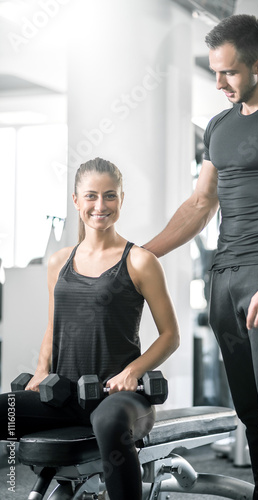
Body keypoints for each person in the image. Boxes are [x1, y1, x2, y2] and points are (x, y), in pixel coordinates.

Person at [143, 14, 258, 500]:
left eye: (229, 73)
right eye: (215, 71)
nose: (219, 82)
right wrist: (143, 253)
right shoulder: (220, 126)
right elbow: (201, 204)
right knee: (248, 409)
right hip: (224, 275)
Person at [0, 158, 180, 500]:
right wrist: (41, 370)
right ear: (76, 201)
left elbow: (171, 335)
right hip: (64, 394)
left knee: (109, 423)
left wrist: (133, 371)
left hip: (120, 398)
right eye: (91, 196)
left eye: (110, 196)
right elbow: (53, 325)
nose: (101, 206)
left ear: (122, 200)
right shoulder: (60, 261)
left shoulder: (140, 261)